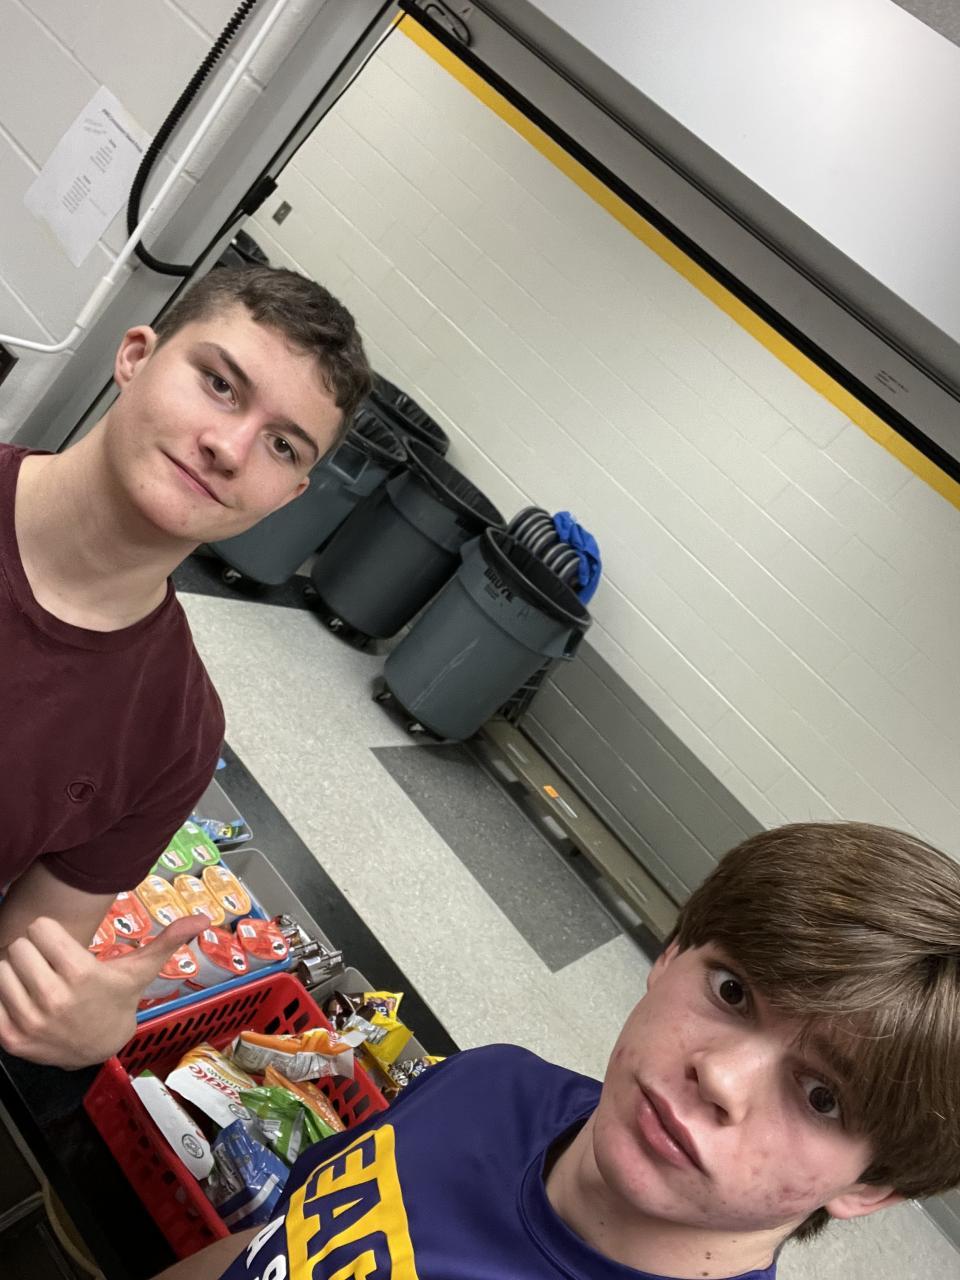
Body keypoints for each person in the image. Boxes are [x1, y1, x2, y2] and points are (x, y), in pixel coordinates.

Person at [155, 822, 960, 1280]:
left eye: (822, 1097)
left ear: (873, 1187)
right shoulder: (490, 1083)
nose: (720, 1074)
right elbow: (278, 1243)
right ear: (671, 955)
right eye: (733, 991)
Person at [0, 266, 371, 1069]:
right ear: (135, 356)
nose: (228, 449)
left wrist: (88, 1029)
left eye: (281, 445)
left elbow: (24, 962)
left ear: (291, 493)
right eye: (219, 384)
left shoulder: (174, 731)